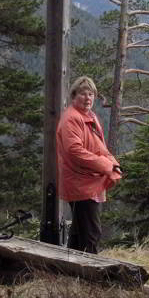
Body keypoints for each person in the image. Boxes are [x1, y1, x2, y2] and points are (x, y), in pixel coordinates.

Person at [56, 76, 122, 253]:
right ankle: (90, 274)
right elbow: (75, 151)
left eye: (91, 94)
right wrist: (106, 166)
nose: (88, 98)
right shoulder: (72, 119)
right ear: (74, 96)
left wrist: (112, 164)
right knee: (91, 233)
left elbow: (99, 147)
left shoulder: (89, 116)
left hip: (88, 182)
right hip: (80, 184)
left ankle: (72, 272)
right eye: (83, 94)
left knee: (79, 232)